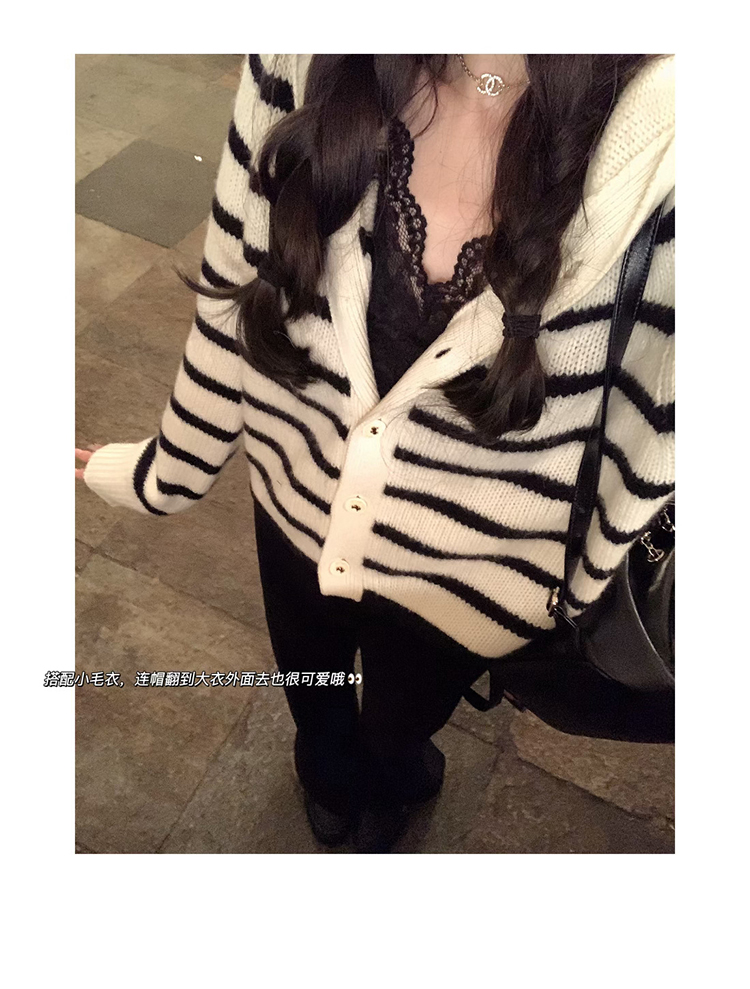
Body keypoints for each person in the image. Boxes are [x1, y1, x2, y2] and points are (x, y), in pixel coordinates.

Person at [75, 54, 675, 853]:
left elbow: (661, 436)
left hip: (476, 579)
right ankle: (328, 778)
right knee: (312, 692)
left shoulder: (677, 130)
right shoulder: (298, 52)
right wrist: (167, 470)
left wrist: (578, 603)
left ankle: (389, 781)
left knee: (403, 727)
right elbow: (234, 288)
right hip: (294, 504)